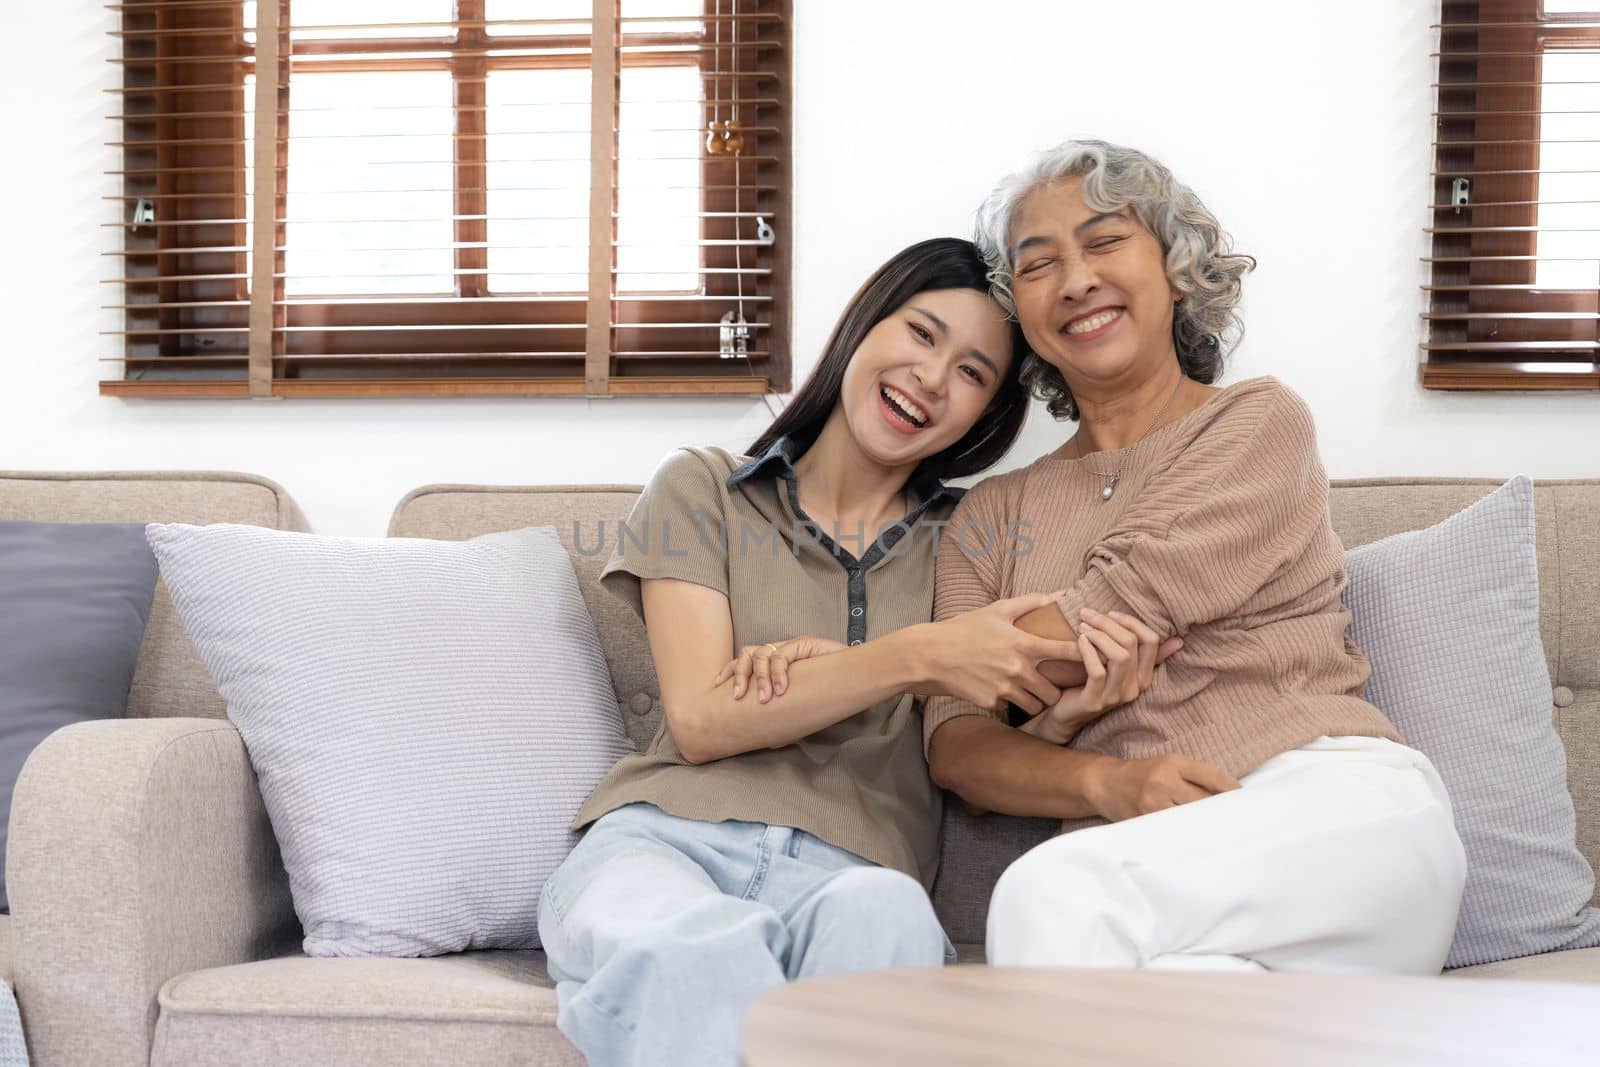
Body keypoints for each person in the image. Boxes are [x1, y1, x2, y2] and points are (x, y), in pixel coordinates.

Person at [537, 237, 1178, 1067]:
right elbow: (700, 718)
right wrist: (916, 653)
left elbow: (968, 750)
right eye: (920, 333)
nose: (933, 377)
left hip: (860, 869)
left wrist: (1067, 718)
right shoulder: (704, 488)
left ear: (987, 414)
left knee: (893, 925)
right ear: (864, 325)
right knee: (690, 950)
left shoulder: (976, 541)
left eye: (974, 372)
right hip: (667, 842)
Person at [924, 140, 1467, 975]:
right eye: (1039, 265)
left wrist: (1002, 679)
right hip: (1158, 865)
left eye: (1105, 242)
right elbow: (955, 743)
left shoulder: (1258, 423)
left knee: (1047, 895)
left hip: (1336, 813)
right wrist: (1107, 783)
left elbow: (1117, 604)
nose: (1075, 281)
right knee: (1178, 1001)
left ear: (1177, 267)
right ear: (1017, 310)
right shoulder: (989, 515)